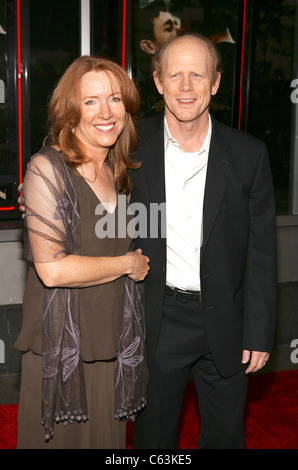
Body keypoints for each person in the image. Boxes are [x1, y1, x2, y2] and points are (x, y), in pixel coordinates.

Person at [130, 33, 277, 449]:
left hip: (227, 321)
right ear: (158, 82)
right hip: (158, 317)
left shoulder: (249, 154)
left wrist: (259, 333)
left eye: (197, 74)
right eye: (175, 74)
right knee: (153, 440)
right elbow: (87, 188)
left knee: (227, 436)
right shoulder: (130, 146)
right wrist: (42, 194)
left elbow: (262, 252)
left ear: (215, 82)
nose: (186, 86)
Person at [14, 56, 150, 449]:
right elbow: (52, 271)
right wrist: (128, 264)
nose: (105, 112)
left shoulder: (120, 171)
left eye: (114, 99)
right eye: (90, 101)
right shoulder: (47, 168)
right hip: (62, 351)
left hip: (112, 343)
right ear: (70, 112)